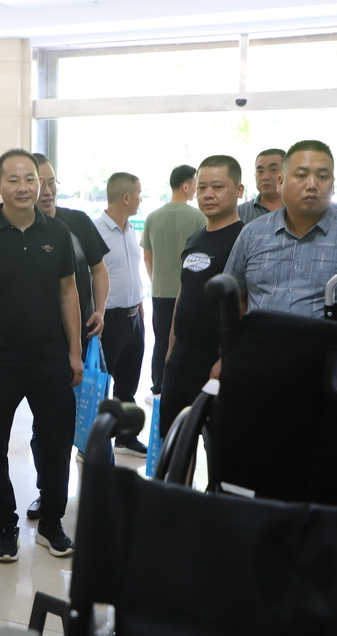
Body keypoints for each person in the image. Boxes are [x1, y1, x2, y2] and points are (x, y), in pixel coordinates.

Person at [0, 149, 82, 562]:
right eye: (14, 179)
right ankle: (5, 526)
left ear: (40, 183)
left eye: (31, 179)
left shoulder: (57, 232)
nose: (24, 187)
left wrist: (75, 351)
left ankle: (51, 521)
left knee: (57, 443)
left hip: (50, 358)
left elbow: (68, 293)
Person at [223, 139, 337, 329]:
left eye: (322, 176)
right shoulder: (251, 234)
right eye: (301, 175)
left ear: (333, 185)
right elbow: (237, 297)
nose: (312, 184)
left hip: (328, 347)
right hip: (261, 346)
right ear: (280, 182)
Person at [26, 152, 109, 520]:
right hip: (42, 346)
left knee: (92, 414)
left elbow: (99, 269)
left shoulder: (77, 222)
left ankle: (100, 490)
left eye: (52, 182)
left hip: (84, 338)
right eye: (40, 182)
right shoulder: (19, 231)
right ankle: (48, 492)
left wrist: (100, 309)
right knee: (46, 425)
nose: (47, 190)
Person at [160, 156, 244, 436]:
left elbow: (248, 304)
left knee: (217, 443)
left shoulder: (245, 239)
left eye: (218, 187)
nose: (208, 194)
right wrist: (171, 345)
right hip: (181, 357)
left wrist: (227, 359)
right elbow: (185, 291)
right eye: (202, 187)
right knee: (173, 441)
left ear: (239, 190)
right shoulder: (194, 238)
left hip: (216, 360)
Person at [141, 164, 205, 396]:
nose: (197, 189)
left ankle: (159, 385)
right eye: (196, 184)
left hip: (160, 291)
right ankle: (182, 386)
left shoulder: (153, 217)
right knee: (185, 340)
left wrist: (156, 279)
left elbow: (147, 256)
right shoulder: (198, 217)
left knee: (160, 341)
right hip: (188, 293)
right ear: (185, 186)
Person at [94, 172, 146, 456]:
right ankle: (92, 441)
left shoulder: (131, 230)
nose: (140, 199)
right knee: (101, 384)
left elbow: (132, 272)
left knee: (128, 384)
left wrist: (140, 308)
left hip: (134, 317)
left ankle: (125, 437)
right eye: (139, 194)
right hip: (108, 320)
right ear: (126, 197)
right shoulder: (95, 231)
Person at [238, 148, 286, 223]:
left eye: (273, 170)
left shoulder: (299, 209)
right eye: (260, 171)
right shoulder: (240, 212)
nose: (265, 177)